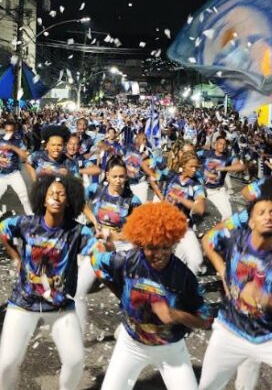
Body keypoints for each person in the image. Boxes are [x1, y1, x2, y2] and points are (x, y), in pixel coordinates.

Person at [93, 202, 213, 390]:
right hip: (131, 344)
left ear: (173, 243)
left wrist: (174, 315)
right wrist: (120, 293)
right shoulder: (127, 260)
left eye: (165, 247)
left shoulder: (184, 277)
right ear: (141, 243)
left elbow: (205, 320)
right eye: (151, 247)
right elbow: (97, 262)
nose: (159, 254)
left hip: (170, 349)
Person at [0, 174, 96, 390]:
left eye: (61, 193)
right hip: (23, 303)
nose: (56, 197)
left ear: (69, 200)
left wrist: (108, 246)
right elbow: (2, 229)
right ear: (42, 198)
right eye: (51, 193)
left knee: (75, 360)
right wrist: (15, 257)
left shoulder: (78, 231)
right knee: (5, 365)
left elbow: (96, 251)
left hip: (60, 307)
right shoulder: (26, 224)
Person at [198, 199, 272, 390]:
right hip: (230, 331)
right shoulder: (234, 239)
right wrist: (223, 270)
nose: (268, 216)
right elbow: (207, 240)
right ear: (251, 222)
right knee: (207, 386)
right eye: (261, 213)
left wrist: (265, 298)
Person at [76, 156, 141, 334]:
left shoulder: (133, 200)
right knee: (78, 291)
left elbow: (136, 231)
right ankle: (78, 336)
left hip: (122, 248)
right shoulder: (96, 189)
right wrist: (93, 221)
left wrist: (114, 236)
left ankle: (131, 329)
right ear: (107, 176)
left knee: (126, 292)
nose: (118, 181)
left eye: (122, 176)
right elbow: (77, 198)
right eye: (114, 176)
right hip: (98, 245)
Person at [0, 119, 32, 237]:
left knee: (24, 199)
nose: (8, 133)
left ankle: (32, 225)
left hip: (14, 174)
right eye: (7, 130)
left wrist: (13, 148)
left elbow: (25, 157)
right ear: (3, 130)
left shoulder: (18, 141)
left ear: (14, 131)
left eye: (11, 131)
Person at [162, 152, 206, 275]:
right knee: (165, 262)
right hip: (165, 224)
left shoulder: (196, 185)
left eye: (196, 167)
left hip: (184, 226)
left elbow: (200, 209)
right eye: (191, 166)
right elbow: (153, 174)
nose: (194, 170)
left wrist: (179, 199)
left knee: (196, 261)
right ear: (183, 165)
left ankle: (187, 285)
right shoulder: (171, 176)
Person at [201, 136, 245, 219]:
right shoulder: (207, 153)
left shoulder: (228, 158)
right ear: (215, 144)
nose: (223, 146)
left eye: (224, 144)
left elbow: (241, 167)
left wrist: (223, 168)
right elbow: (192, 155)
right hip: (201, 189)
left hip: (217, 191)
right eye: (220, 143)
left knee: (228, 216)